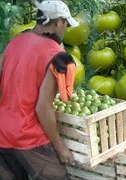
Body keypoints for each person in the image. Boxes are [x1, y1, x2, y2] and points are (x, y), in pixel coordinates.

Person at [0, 1, 79, 179]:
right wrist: (60, 147)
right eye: (66, 24)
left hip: (3, 133)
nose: (65, 29)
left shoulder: (15, 41)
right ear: (59, 22)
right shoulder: (58, 57)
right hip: (29, 139)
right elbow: (42, 107)